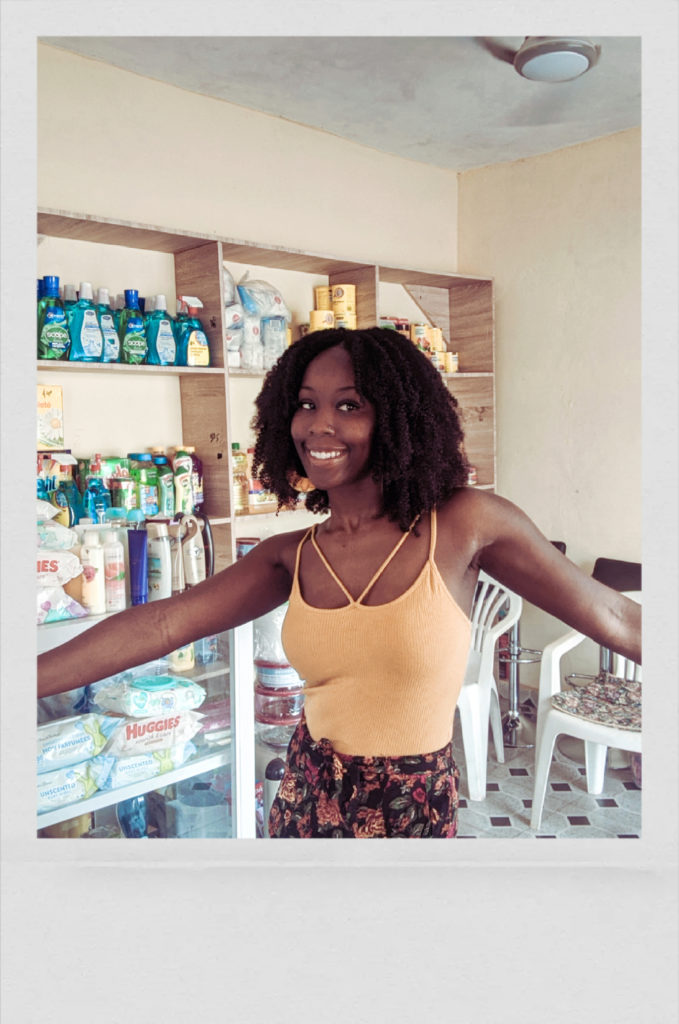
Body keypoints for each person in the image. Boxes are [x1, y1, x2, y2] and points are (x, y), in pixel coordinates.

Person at [37, 326, 641, 839]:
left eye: (350, 405)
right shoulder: (289, 557)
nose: (319, 426)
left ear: (399, 418)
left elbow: (616, 618)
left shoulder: (464, 523)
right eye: (306, 404)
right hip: (307, 797)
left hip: (411, 808)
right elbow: (165, 623)